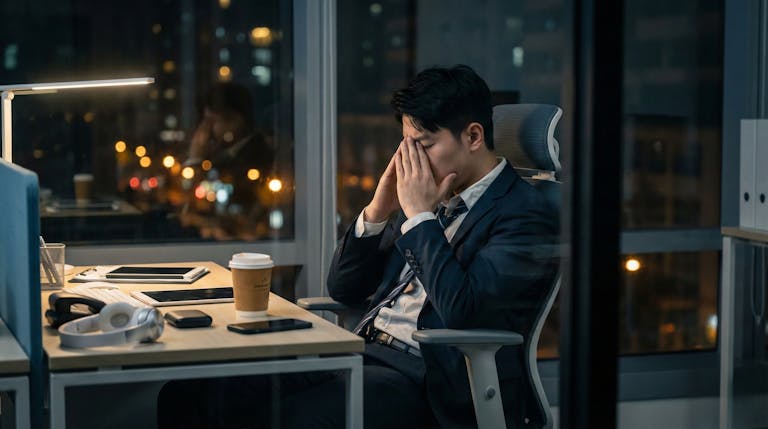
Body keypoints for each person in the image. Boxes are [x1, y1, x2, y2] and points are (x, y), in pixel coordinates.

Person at [157, 65, 558, 428]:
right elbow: (344, 289)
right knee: (191, 396)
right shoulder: (435, 191)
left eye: (424, 144)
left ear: (472, 136)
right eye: (406, 144)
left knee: (292, 420)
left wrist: (418, 217)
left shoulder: (524, 212)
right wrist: (379, 208)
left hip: (426, 379)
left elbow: (464, 311)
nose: (410, 160)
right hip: (363, 353)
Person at [178, 82, 276, 240]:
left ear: (235, 121)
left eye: (212, 121)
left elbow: (235, 217)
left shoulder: (253, 160)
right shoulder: (225, 158)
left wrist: (195, 159)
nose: (205, 130)